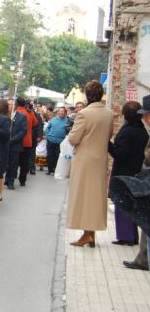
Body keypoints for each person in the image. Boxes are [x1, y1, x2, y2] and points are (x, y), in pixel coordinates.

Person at [66, 80, 114, 247]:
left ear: (87, 95)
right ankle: (90, 232)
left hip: (84, 160)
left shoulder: (84, 114)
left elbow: (73, 138)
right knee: (95, 196)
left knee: (83, 196)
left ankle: (87, 234)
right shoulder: (109, 113)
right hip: (100, 159)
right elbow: (109, 134)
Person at [108, 101, 149, 245]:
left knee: (123, 205)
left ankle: (126, 237)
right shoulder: (141, 130)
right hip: (135, 171)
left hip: (124, 172)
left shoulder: (128, 131)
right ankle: (131, 236)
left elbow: (121, 154)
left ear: (125, 115)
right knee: (131, 206)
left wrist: (109, 145)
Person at [13, 97, 38, 187]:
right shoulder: (29, 112)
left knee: (14, 160)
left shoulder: (14, 112)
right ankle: (22, 180)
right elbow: (35, 123)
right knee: (25, 162)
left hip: (16, 140)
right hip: (27, 140)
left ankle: (12, 176)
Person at [4, 100, 27, 190]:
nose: (10, 106)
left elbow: (23, 131)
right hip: (4, 144)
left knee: (13, 164)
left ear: (16, 105)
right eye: (8, 104)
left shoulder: (22, 117)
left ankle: (11, 181)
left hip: (15, 144)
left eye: (12, 105)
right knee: (5, 163)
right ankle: (5, 178)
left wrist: (13, 139)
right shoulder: (3, 115)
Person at [45, 107, 69, 175]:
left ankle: (55, 169)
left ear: (65, 113)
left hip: (60, 141)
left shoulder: (67, 121)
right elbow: (48, 128)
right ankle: (49, 169)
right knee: (49, 155)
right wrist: (48, 135)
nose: (61, 112)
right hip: (51, 140)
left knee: (57, 156)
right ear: (57, 112)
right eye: (60, 111)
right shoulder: (53, 119)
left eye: (62, 111)